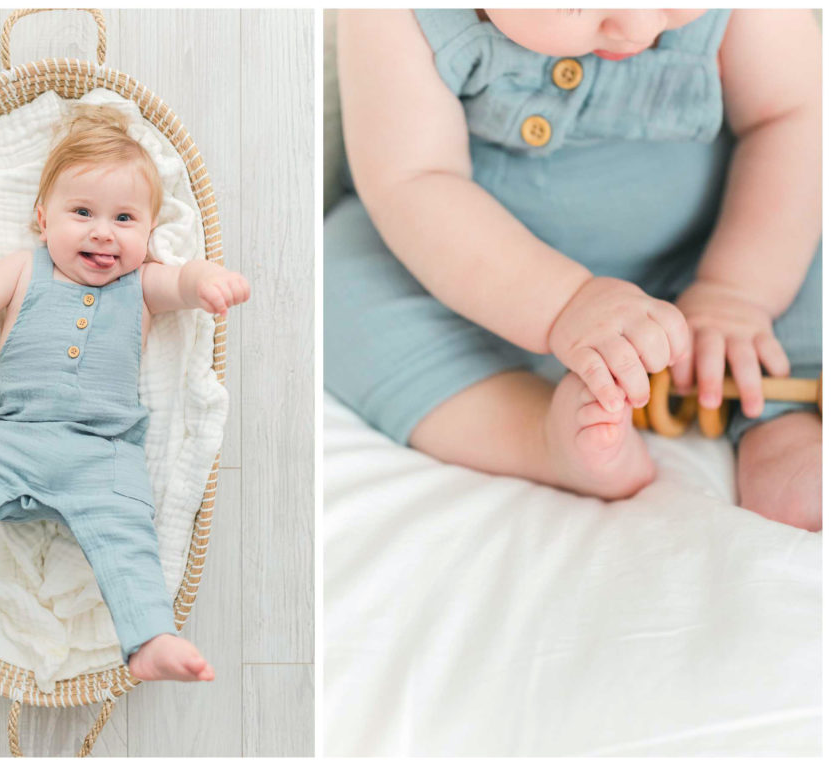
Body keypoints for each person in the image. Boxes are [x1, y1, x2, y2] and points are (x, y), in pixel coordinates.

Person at [326, 10, 821, 530]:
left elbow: (795, 117)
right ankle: (537, 431)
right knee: (337, 283)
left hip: (716, 246)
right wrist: (564, 303)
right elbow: (416, 182)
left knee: (803, 214)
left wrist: (737, 293)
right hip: (487, 275)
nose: (636, 27)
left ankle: (782, 418)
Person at [0, 105, 250, 680]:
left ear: (150, 233)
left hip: (102, 453)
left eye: (125, 218)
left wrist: (205, 280)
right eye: (82, 212)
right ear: (42, 220)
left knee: (130, 533)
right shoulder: (22, 269)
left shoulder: (143, 284)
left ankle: (149, 636)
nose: (103, 231)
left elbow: (181, 280)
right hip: (9, 436)